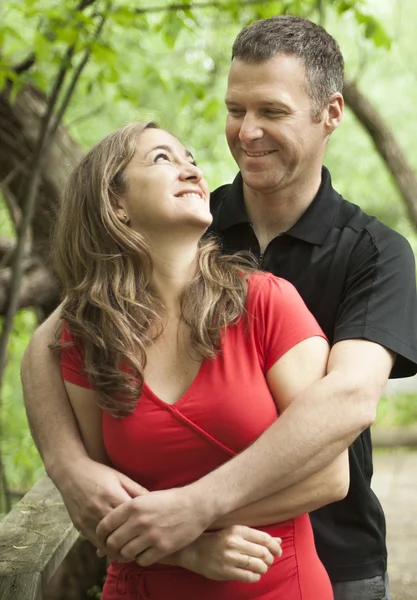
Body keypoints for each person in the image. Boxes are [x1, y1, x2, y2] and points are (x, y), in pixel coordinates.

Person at [20, 15, 417, 600]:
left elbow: (350, 399)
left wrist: (195, 510)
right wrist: (68, 466)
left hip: (335, 552)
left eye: (272, 112)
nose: (247, 131)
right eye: (236, 110)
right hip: (168, 557)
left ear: (331, 113)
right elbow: (51, 343)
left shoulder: (376, 252)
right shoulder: (183, 228)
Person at [50, 120, 344, 599]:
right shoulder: (86, 335)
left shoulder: (267, 302)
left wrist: (196, 516)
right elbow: (96, 509)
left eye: (190, 158)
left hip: (277, 586)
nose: (190, 168)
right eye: (162, 159)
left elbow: (330, 476)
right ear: (115, 204)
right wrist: (187, 551)